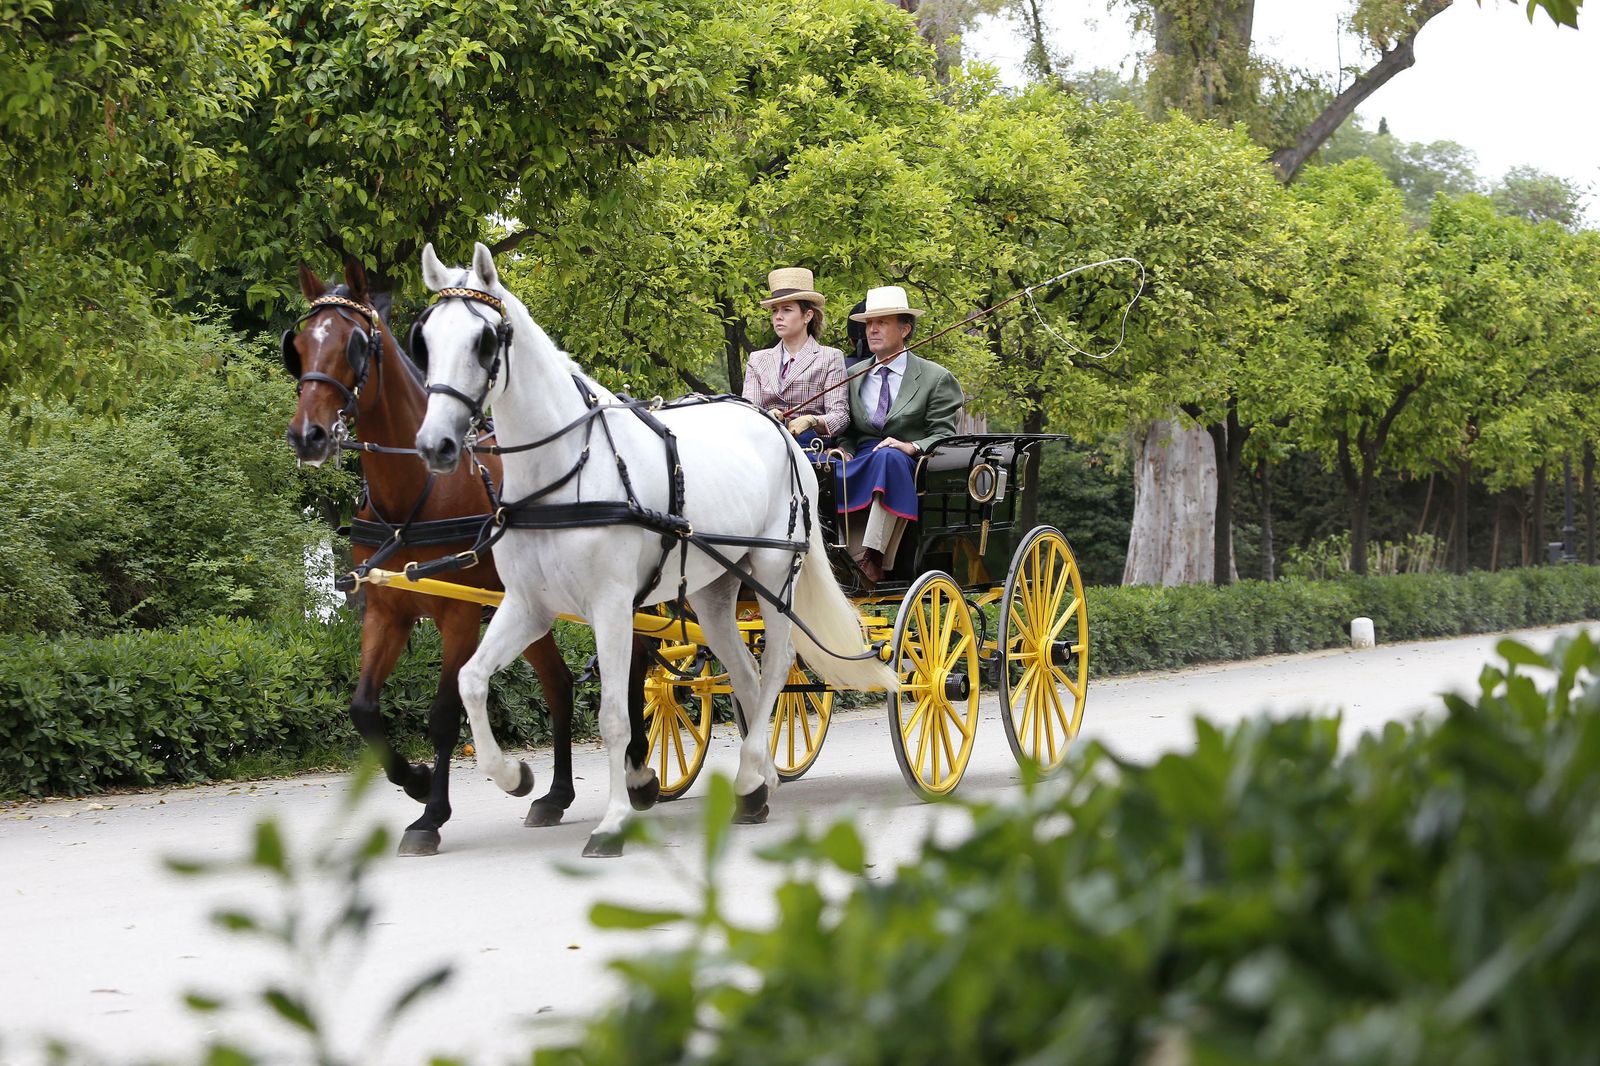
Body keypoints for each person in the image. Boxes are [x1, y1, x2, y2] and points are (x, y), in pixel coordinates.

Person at [834, 285, 963, 584]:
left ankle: (874, 556)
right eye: (868, 323)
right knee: (825, 468)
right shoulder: (853, 376)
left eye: (882, 323)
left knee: (889, 458)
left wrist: (911, 446)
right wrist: (844, 448)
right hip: (863, 457)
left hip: (908, 463)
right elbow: (849, 431)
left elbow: (943, 434)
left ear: (905, 329)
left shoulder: (936, 378)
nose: (872, 330)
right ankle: (841, 555)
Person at [742, 267, 850, 449]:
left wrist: (813, 420)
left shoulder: (830, 357)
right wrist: (767, 414)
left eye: (787, 310)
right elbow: (748, 411)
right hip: (765, 446)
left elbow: (840, 416)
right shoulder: (757, 359)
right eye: (774, 311)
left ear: (807, 315)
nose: (778, 317)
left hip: (811, 447)